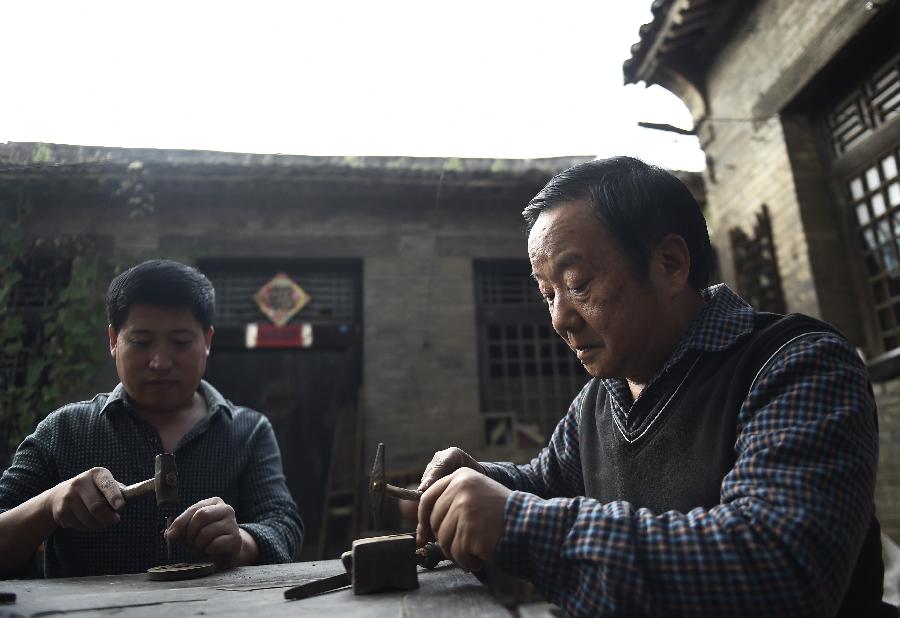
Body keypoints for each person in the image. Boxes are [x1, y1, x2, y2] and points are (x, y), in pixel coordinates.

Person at [416, 157, 897, 617]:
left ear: (669, 264)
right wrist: (476, 483)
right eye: (548, 294)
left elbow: (779, 566)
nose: (560, 319)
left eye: (577, 283)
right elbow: (545, 485)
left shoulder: (795, 364)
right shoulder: (599, 400)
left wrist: (516, 522)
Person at [0, 259, 303, 577]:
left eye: (181, 342)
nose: (160, 362)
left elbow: (283, 524)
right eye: (141, 342)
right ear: (113, 341)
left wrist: (241, 542)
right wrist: (48, 505)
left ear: (207, 341)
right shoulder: (62, 432)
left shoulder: (248, 432)